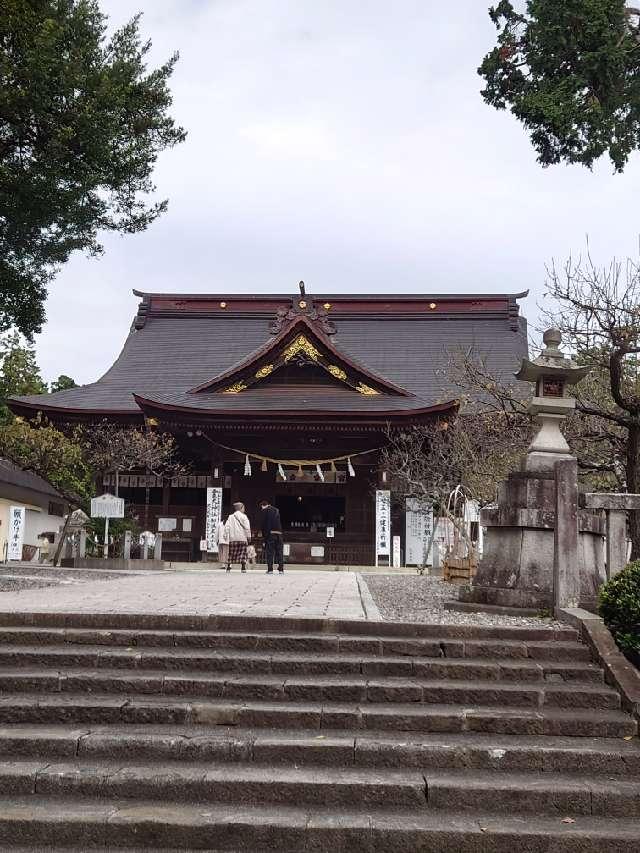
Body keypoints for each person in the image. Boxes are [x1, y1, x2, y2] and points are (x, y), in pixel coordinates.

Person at [224, 502, 251, 573]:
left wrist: (225, 535)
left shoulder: (230, 517)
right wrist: (249, 536)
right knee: (243, 553)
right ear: (241, 508)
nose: (244, 509)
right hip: (242, 538)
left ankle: (229, 567)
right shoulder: (244, 516)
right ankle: (243, 568)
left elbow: (227, 527)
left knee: (231, 553)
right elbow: (247, 528)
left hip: (232, 538)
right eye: (243, 508)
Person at [259, 499, 284, 574]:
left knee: (270, 552)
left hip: (270, 534)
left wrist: (264, 537)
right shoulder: (276, 510)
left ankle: (270, 569)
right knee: (279, 552)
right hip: (279, 534)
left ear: (263, 506)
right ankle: (281, 569)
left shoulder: (265, 510)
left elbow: (264, 525)